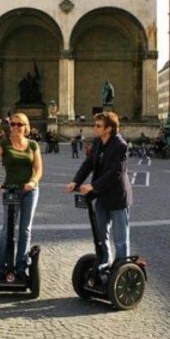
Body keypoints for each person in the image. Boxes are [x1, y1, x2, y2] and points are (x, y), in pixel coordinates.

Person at [66, 111, 132, 286]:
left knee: (120, 239)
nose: (94, 128)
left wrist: (93, 186)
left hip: (118, 198)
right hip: (101, 197)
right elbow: (88, 164)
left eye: (98, 126)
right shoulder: (97, 143)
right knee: (100, 235)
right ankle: (103, 266)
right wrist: (76, 181)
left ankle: (121, 273)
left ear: (108, 129)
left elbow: (116, 173)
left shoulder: (121, 145)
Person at [0, 112, 43, 279]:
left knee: (25, 230)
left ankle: (21, 267)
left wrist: (32, 182)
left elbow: (38, 169)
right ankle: (1, 267)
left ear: (26, 127)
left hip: (30, 191)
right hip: (10, 189)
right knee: (7, 229)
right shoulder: (4, 143)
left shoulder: (33, 145)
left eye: (20, 124)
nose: (16, 127)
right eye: (13, 124)